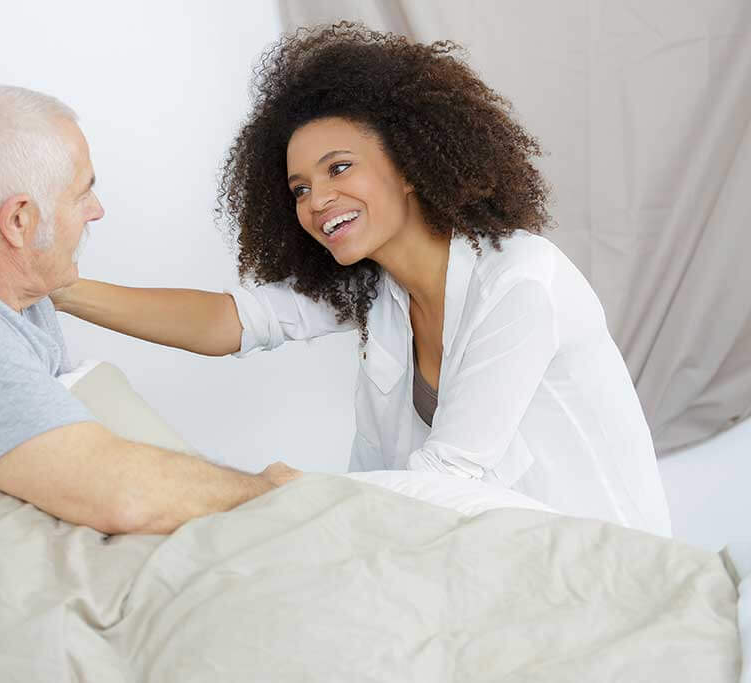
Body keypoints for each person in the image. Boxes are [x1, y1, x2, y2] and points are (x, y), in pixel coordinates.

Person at [53, 24, 672, 537]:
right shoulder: (378, 287)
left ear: (408, 164)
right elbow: (233, 321)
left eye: (339, 168)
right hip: (501, 573)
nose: (318, 200)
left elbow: (450, 477)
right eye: (300, 189)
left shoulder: (520, 282)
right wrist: (57, 286)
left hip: (608, 589)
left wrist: (292, 495)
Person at [0, 85, 299, 605]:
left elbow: (214, 321)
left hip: (60, 589)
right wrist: (266, 493)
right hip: (10, 622)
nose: (98, 211)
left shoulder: (6, 298)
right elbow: (121, 492)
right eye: (83, 192)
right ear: (19, 220)